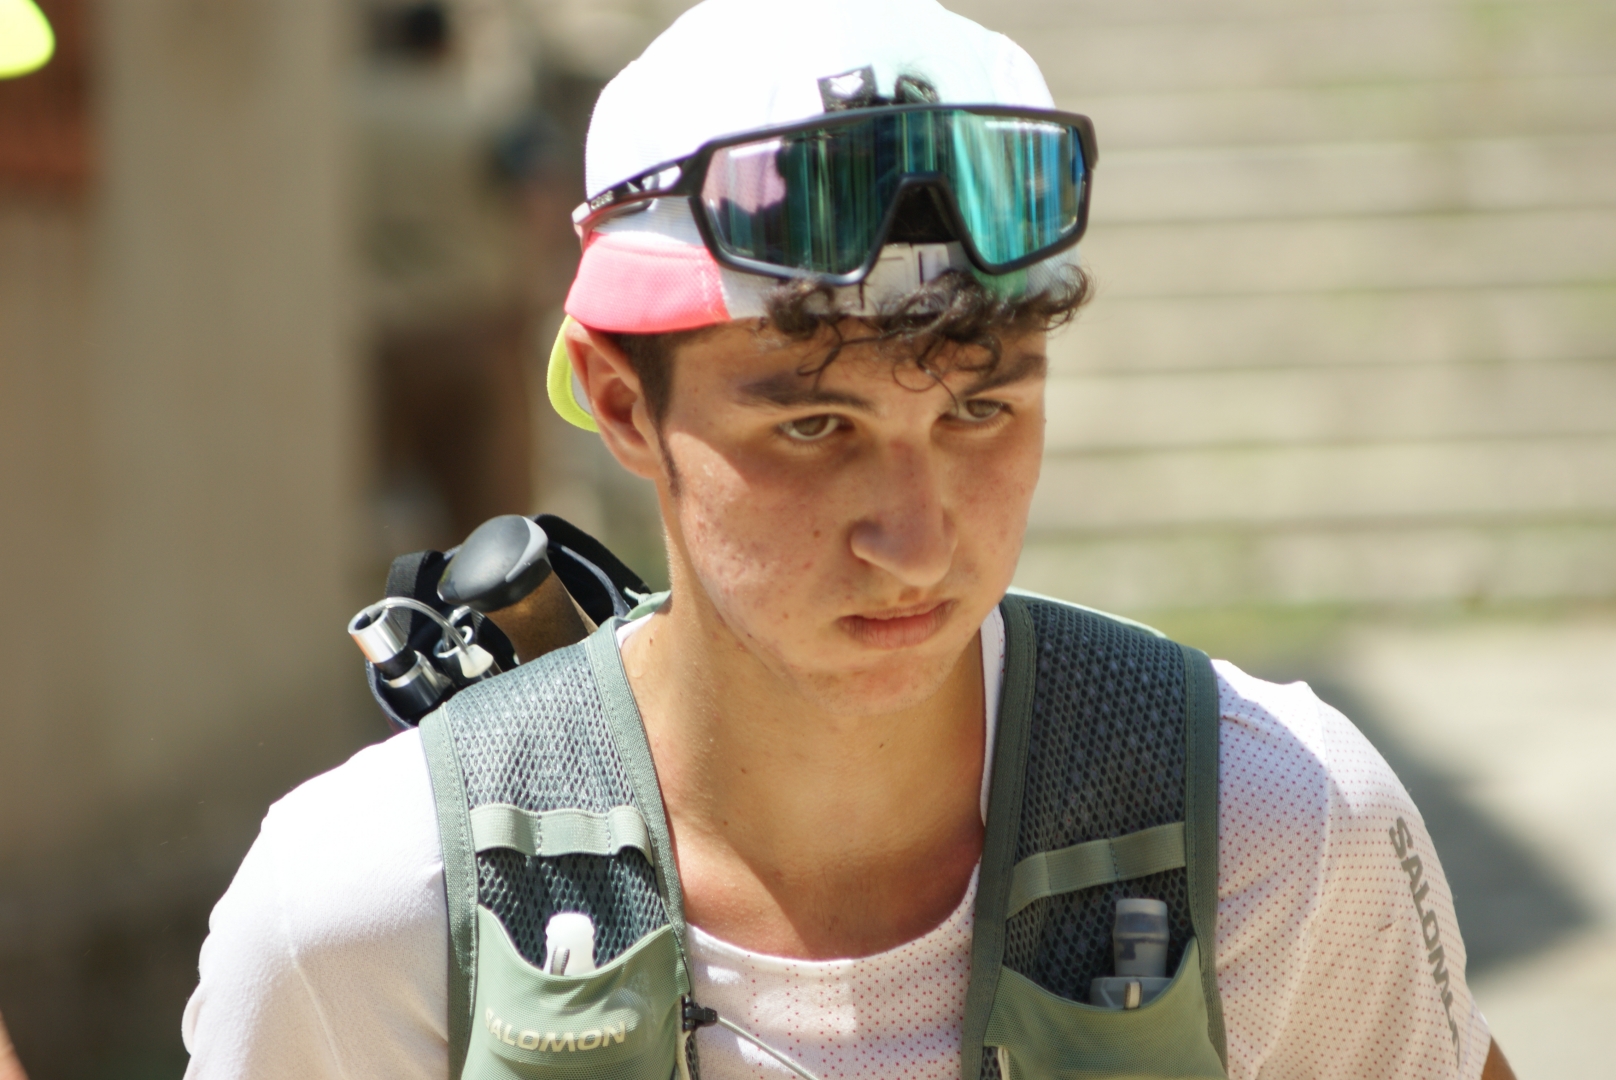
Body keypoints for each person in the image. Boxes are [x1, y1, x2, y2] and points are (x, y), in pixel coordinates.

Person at [181, 1, 1517, 1077]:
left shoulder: (1273, 830)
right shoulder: (368, 917)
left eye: (980, 409)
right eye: (815, 426)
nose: (916, 544)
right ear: (619, 402)